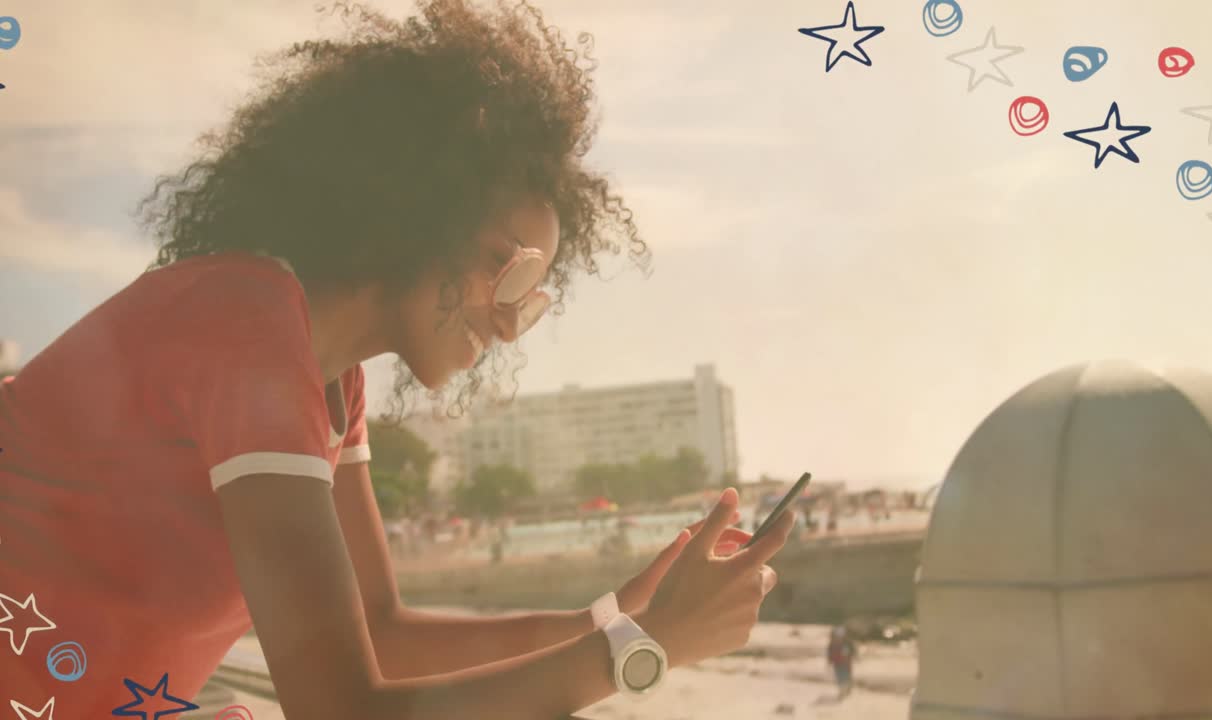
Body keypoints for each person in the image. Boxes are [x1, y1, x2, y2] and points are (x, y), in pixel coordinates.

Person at [0, 1, 797, 718]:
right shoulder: (244, 325)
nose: (513, 323)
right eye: (510, 268)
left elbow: (382, 635)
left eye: (536, 298)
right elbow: (342, 708)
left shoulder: (330, 384)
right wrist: (639, 653)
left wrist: (615, 617)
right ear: (419, 210)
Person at [827, 625, 857, 700]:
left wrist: (854, 655)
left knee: (846, 676)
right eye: (837, 635)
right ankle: (842, 690)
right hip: (837, 662)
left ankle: (847, 688)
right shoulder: (832, 643)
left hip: (846, 662)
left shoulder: (847, 642)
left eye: (840, 634)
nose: (839, 636)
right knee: (839, 676)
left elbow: (852, 650)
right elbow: (830, 652)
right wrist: (829, 660)